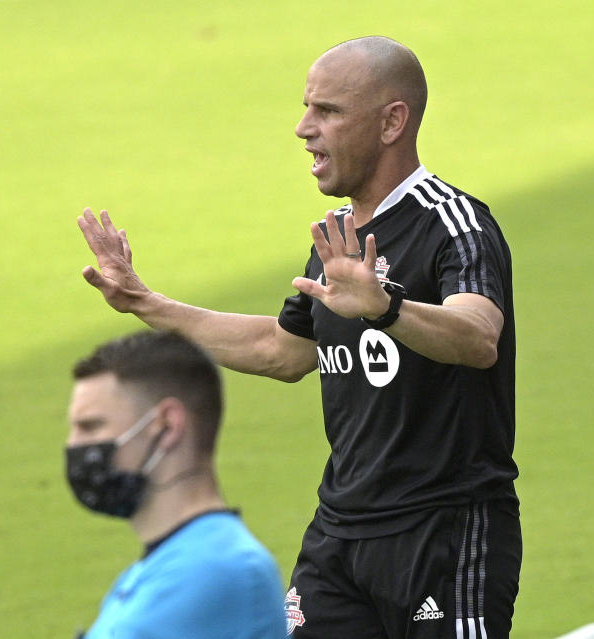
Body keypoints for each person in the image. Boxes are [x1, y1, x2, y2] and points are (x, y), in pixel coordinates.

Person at [77, 35, 522, 639]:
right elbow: (282, 351)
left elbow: (478, 336)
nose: (303, 128)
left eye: (328, 111)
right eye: (308, 107)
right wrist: (145, 304)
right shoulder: (335, 238)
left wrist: (386, 306)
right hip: (341, 534)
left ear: (393, 122)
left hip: (444, 530)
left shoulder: (453, 224)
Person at [65, 330, 287, 638]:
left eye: (91, 427)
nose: (74, 446)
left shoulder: (217, 570)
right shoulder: (150, 572)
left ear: (167, 425)